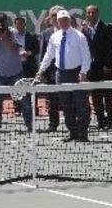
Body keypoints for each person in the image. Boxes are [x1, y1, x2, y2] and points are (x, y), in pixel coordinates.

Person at [36, 10, 91, 142]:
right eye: (61, 20)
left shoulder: (79, 36)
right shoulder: (54, 36)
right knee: (66, 106)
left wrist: (83, 72)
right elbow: (48, 55)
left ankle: (83, 135)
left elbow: (86, 56)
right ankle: (73, 133)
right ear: (58, 21)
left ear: (70, 20)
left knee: (82, 105)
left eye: (66, 19)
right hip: (61, 74)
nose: (63, 22)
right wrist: (41, 70)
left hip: (77, 73)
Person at [0, 13, 32, 133]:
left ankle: (30, 125)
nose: (1, 26)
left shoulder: (12, 32)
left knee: (24, 101)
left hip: (16, 72)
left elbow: (13, 48)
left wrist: (4, 37)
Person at [81, 5, 112, 130]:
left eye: (93, 12)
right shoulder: (84, 30)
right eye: (88, 12)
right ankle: (101, 121)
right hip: (91, 69)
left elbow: (110, 49)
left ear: (97, 14)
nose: (90, 15)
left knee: (108, 97)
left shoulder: (106, 28)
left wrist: (108, 65)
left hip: (104, 68)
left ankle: (111, 121)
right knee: (96, 97)